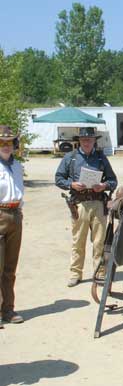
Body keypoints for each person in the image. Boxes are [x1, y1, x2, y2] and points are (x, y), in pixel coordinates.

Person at [55, 127, 117, 287]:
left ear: (94, 141)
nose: (87, 142)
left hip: (98, 202)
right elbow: (59, 178)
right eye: (84, 140)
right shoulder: (71, 157)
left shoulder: (101, 158)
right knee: (78, 241)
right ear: (79, 141)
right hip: (79, 203)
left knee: (100, 242)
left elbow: (113, 180)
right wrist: (72, 184)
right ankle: (76, 273)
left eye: (90, 139)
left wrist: (103, 186)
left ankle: (100, 273)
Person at [0, 125, 25, 327]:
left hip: (15, 214)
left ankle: (8, 309)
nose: (6, 146)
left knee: (10, 268)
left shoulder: (17, 166)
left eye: (9, 142)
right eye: (2, 142)